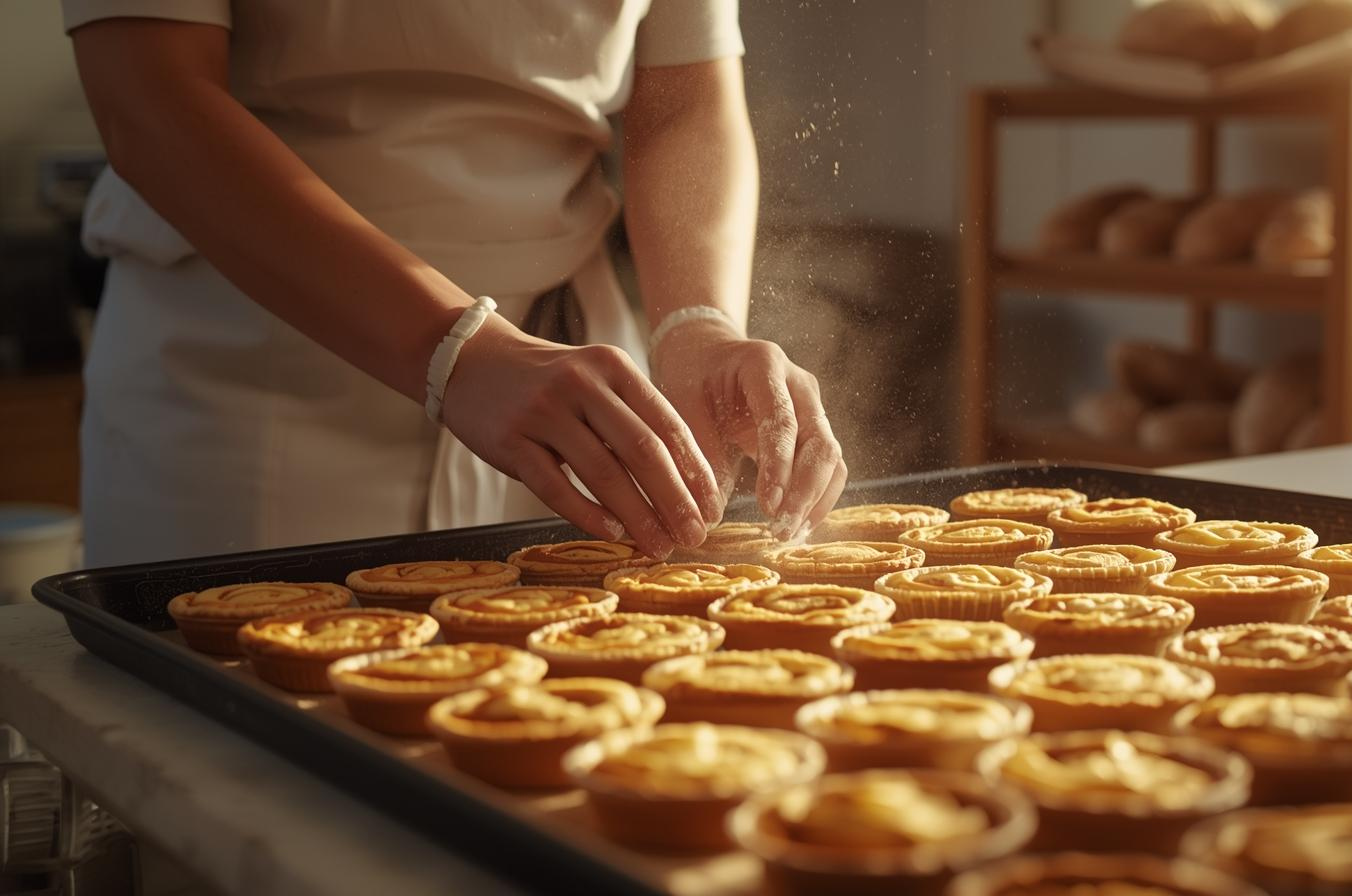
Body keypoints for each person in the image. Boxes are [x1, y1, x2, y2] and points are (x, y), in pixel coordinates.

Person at [62, 1, 847, 566]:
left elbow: (682, 99)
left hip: (573, 394)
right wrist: (457, 352)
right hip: (260, 382)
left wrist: (698, 323)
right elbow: (151, 98)